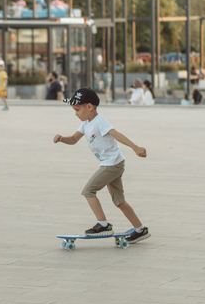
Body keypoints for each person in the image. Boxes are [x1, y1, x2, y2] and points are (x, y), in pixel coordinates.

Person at [53, 88, 150, 244]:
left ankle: (103, 225)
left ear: (89, 107)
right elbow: (73, 139)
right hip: (114, 163)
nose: (76, 114)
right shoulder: (85, 124)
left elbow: (116, 134)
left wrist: (135, 147)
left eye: (77, 110)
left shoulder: (100, 121)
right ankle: (140, 230)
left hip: (112, 165)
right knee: (119, 202)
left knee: (88, 190)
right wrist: (61, 139)